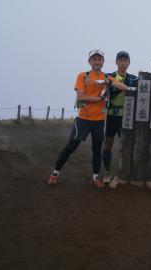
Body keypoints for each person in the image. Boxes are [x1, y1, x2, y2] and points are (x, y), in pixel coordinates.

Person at [48, 49, 128, 187]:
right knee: (71, 147)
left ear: (103, 61)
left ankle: (95, 178)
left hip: (99, 120)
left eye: (99, 59)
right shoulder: (83, 76)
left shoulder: (106, 77)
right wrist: (100, 98)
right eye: (94, 59)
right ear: (89, 61)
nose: (97, 62)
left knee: (97, 150)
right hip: (84, 119)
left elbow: (122, 86)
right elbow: (81, 97)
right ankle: (54, 174)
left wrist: (113, 84)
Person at [102, 51, 151, 183]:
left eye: (125, 60)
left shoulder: (133, 78)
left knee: (126, 144)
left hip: (126, 116)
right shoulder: (109, 76)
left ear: (129, 63)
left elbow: (145, 84)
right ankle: (108, 172)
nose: (122, 63)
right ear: (116, 62)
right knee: (108, 144)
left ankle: (126, 170)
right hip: (110, 116)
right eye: (120, 60)